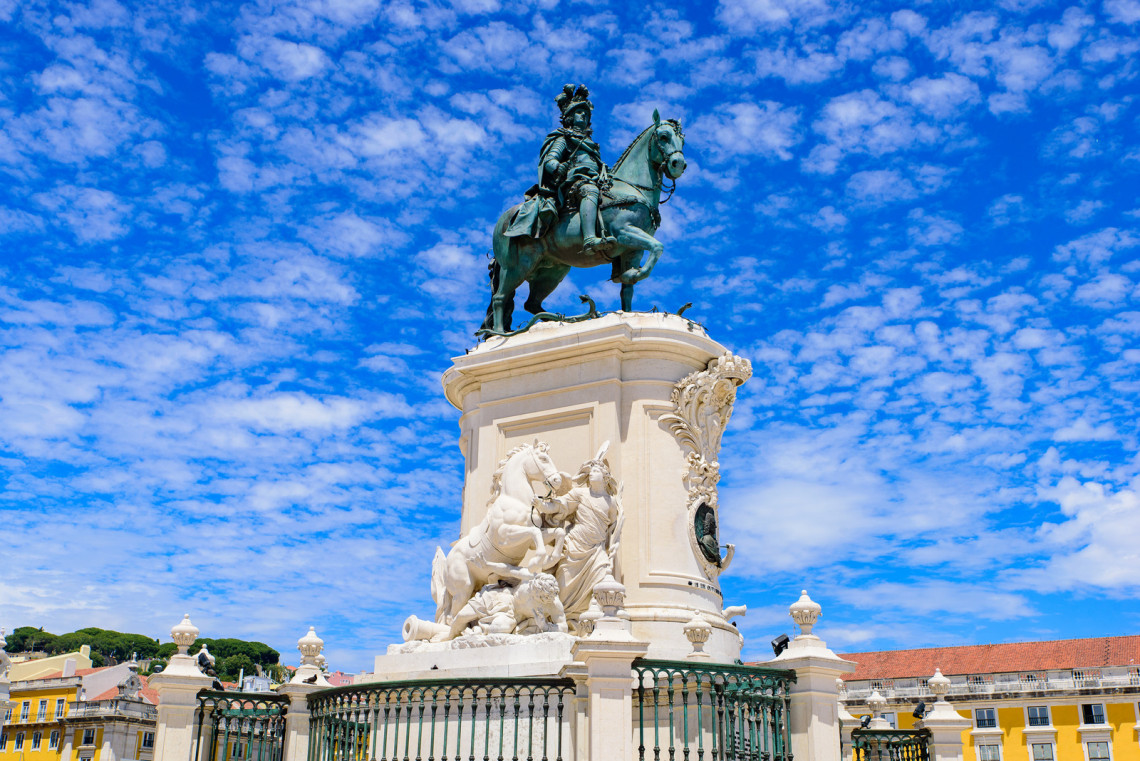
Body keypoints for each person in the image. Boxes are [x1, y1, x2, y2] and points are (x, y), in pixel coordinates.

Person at [504, 84, 615, 252]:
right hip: (574, 182)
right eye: (579, 112)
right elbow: (550, 160)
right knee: (589, 191)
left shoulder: (592, 145)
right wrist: (557, 167)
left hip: (596, 179)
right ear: (569, 117)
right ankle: (590, 238)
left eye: (586, 113)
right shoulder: (563, 138)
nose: (583, 115)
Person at [538, 442, 624, 631]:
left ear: (605, 476)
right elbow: (561, 506)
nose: (591, 473)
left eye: (596, 470)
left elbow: (611, 526)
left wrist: (613, 545)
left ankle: (593, 622)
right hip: (574, 546)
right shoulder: (579, 493)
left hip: (596, 551)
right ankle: (559, 622)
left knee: (602, 579)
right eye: (590, 470)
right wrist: (544, 506)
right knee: (564, 589)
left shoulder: (610, 503)